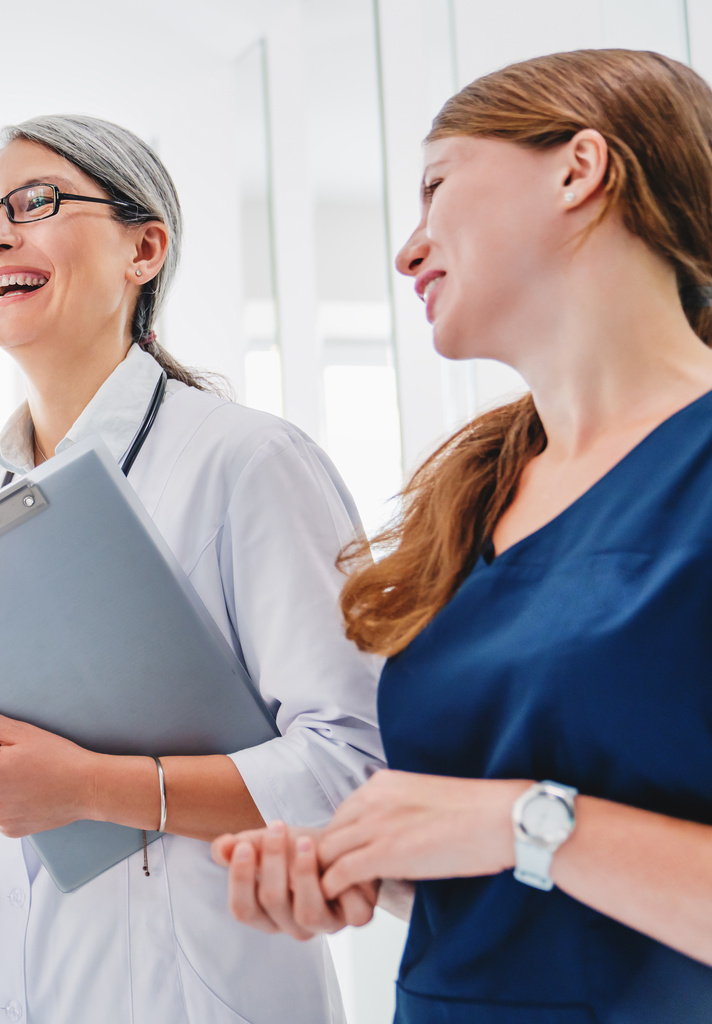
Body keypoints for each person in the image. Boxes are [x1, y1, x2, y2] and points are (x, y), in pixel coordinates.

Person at [0, 114, 384, 1023]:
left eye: (37, 203)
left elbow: (356, 773)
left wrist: (98, 786)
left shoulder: (248, 464)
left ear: (145, 249)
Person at [213, 49, 712, 1022]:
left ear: (580, 169)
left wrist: (522, 821)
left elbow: (521, 832)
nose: (407, 250)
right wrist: (360, 864)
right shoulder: (475, 502)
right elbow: (508, 868)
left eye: (436, 186)